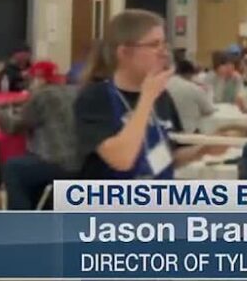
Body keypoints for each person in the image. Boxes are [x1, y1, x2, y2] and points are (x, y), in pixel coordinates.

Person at [74, 10, 213, 179]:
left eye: (164, 44)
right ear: (124, 52)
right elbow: (122, 159)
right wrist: (147, 98)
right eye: (154, 45)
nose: (163, 53)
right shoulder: (96, 97)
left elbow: (170, 155)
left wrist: (202, 150)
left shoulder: (162, 96)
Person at [0, 62, 79, 210]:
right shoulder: (75, 91)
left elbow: (13, 126)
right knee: (29, 165)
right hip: (81, 164)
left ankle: (22, 219)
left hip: (56, 163)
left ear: (38, 78)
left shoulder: (42, 95)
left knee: (13, 168)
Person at [166, 59, 215, 135]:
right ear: (190, 74)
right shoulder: (193, 88)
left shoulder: (163, 85)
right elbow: (208, 110)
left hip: (167, 132)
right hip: (189, 133)